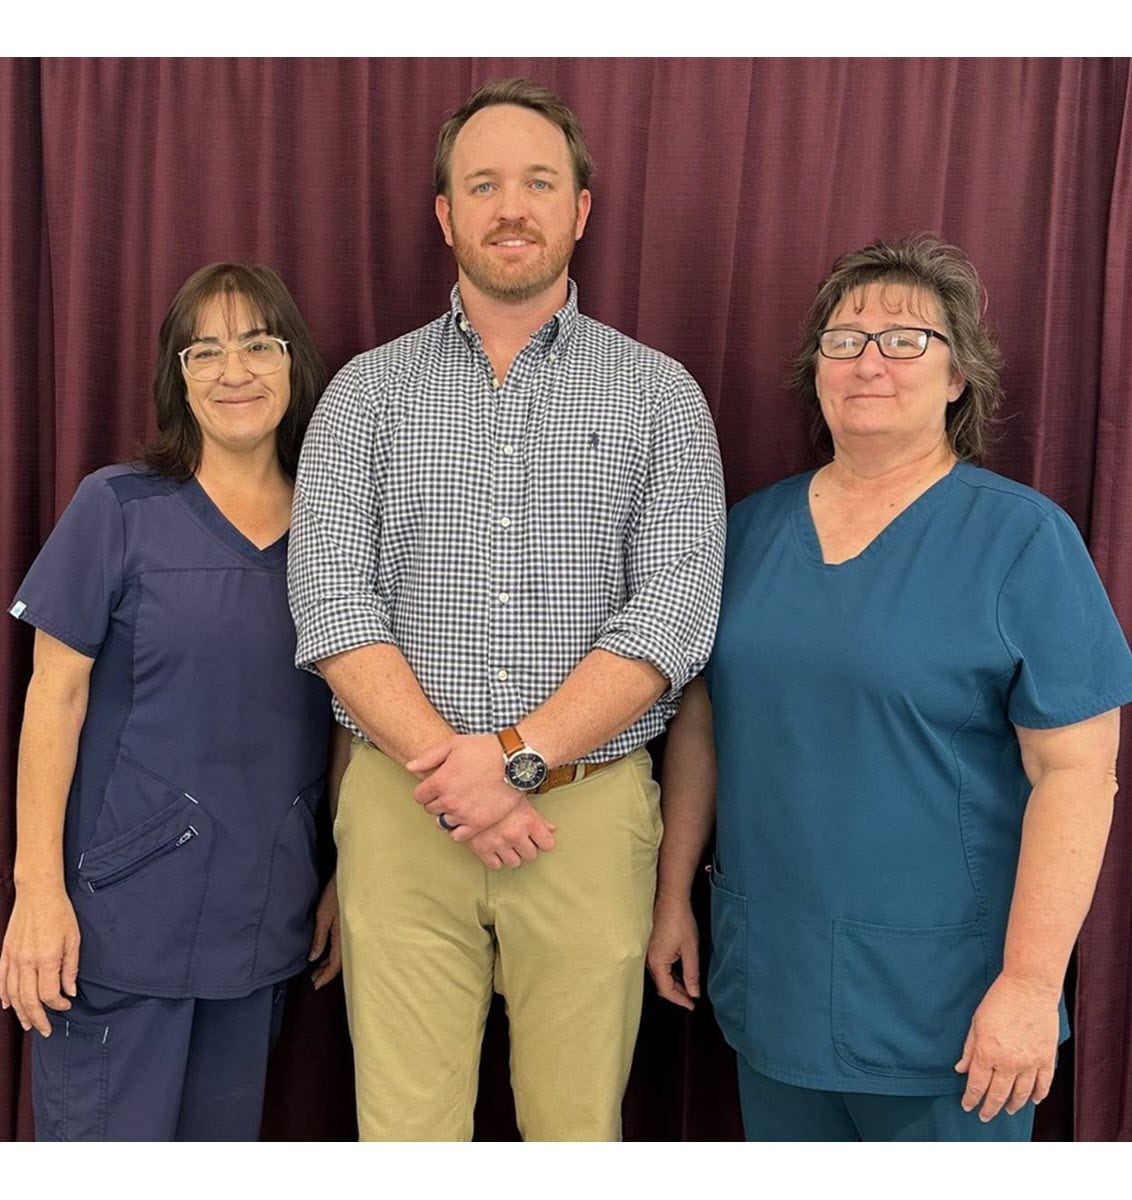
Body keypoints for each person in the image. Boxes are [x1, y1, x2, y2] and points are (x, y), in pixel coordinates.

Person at [288, 77, 726, 1141]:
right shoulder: (364, 394)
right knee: (404, 1135)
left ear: (581, 206)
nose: (511, 206)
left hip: (586, 810)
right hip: (400, 813)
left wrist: (515, 760)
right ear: (445, 215)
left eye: (539, 181)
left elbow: (671, 615)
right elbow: (333, 605)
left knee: (577, 1134)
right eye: (482, 185)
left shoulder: (660, 394)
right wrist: (458, 775)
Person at [647, 236, 1132, 1141]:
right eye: (845, 340)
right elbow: (703, 723)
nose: (870, 360)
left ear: (959, 378)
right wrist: (671, 894)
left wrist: (1032, 986)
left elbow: (1079, 776)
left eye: (907, 339)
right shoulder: (748, 532)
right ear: (817, 373)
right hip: (776, 988)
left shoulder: (1024, 541)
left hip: (952, 1022)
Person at [0, 262, 346, 1141]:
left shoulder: (338, 528)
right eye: (206, 351)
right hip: (113, 933)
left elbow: (354, 714)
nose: (234, 371)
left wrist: (347, 879)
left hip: (262, 923)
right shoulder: (114, 508)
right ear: (177, 378)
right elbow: (53, 697)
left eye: (258, 344)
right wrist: (36, 891)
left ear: (295, 363)